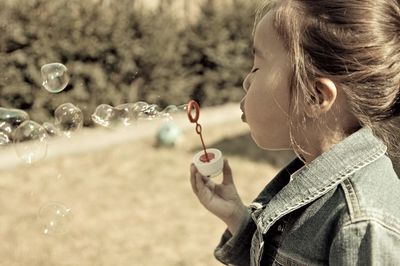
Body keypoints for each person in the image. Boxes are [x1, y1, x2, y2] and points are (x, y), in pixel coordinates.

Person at [189, 0, 400, 265]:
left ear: (314, 96)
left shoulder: (361, 226)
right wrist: (238, 220)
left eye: (257, 67)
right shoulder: (319, 184)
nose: (246, 80)